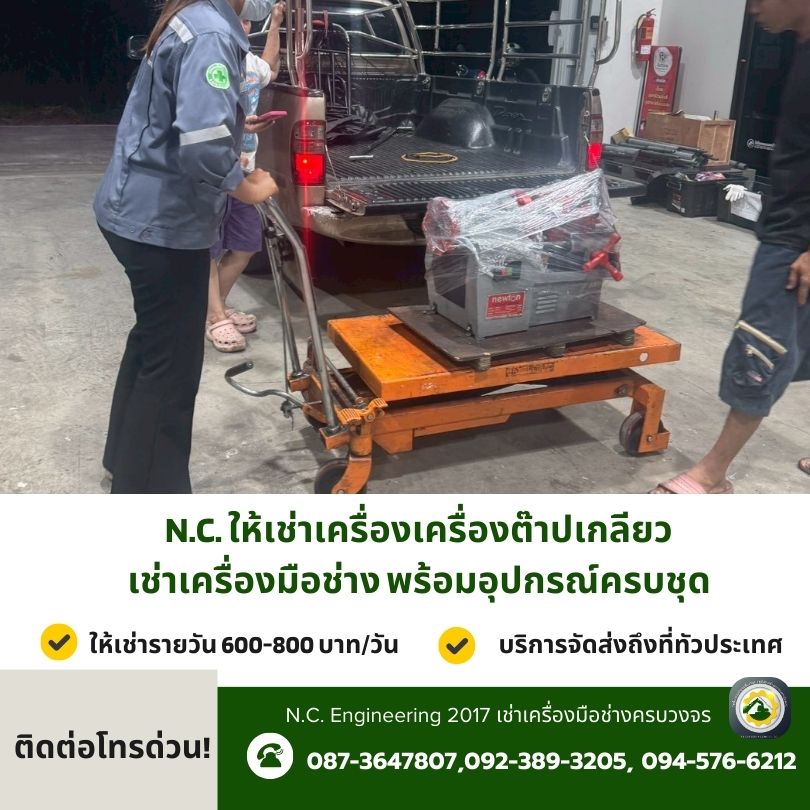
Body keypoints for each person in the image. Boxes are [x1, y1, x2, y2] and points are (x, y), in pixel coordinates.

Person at [94, 0, 280, 493]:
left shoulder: (193, 18)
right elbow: (202, 147)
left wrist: (234, 123)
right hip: (160, 223)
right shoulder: (210, 34)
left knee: (153, 343)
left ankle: (123, 459)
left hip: (137, 211)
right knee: (172, 367)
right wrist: (247, 188)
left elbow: (183, 115)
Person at [652, 0, 810, 494]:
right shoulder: (802, 48)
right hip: (791, 226)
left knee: (759, 348)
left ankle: (711, 475)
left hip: (796, 239)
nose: (753, 8)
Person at [207, 2, 285, 352]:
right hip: (214, 171)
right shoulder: (211, 59)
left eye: (247, 21)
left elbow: (272, 67)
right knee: (209, 248)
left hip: (245, 168)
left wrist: (276, 24)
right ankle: (214, 317)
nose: (242, 25)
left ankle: (216, 308)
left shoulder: (251, 63)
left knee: (245, 243)